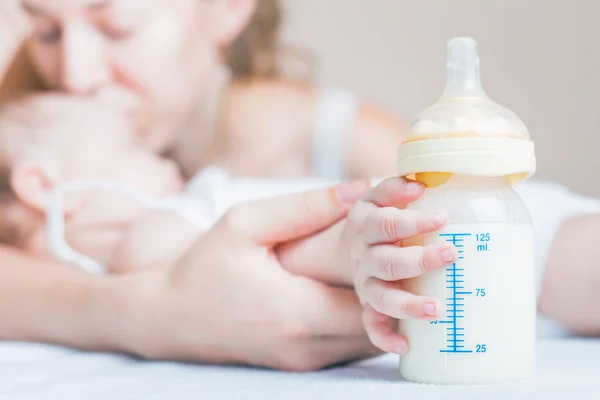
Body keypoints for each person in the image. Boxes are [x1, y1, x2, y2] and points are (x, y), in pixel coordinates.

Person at [0, 0, 598, 370]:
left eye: (118, 24)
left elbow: (487, 227)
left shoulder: (342, 138)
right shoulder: (38, 134)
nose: (73, 74)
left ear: (228, 7)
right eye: (45, 31)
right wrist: (151, 314)